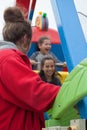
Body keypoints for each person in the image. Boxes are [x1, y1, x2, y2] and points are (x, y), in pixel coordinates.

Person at [0, 6, 60, 130]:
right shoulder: (8, 58)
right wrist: (65, 91)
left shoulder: (6, 57)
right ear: (25, 38)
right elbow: (34, 91)